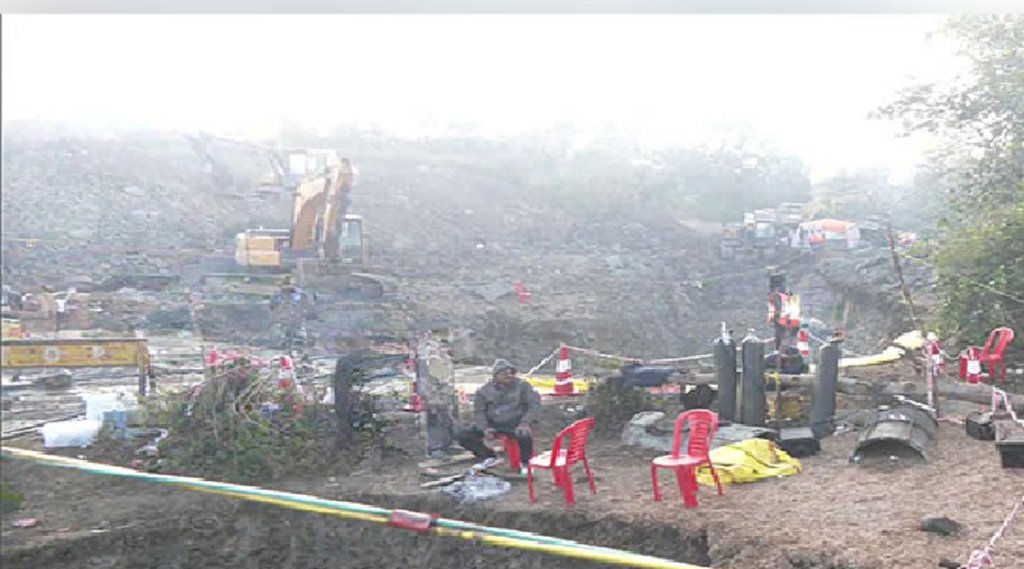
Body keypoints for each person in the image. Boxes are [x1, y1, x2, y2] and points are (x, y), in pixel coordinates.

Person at [457, 359, 541, 463]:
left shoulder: (523, 386)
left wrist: (525, 422)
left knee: (524, 436)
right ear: (495, 376)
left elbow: (534, 405)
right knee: (464, 436)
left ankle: (525, 465)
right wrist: (484, 428)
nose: (508, 376)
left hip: (515, 422)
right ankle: (489, 456)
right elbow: (479, 412)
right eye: (504, 373)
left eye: (511, 373)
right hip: (493, 423)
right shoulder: (483, 391)